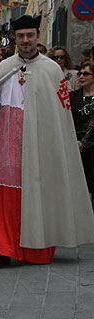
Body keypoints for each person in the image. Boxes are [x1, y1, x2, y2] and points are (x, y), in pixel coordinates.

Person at [0, 14, 94, 269]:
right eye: (21, 36)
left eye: (30, 35)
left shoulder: (51, 69)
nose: (26, 40)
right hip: (9, 142)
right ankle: (4, 250)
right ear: (14, 38)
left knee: (39, 193)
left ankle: (38, 249)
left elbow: (60, 113)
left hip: (40, 142)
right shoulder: (4, 67)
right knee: (6, 196)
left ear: (38, 37)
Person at [69, 60, 94, 208]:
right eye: (80, 74)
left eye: (86, 74)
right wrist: (75, 140)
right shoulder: (73, 97)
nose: (82, 77)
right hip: (77, 146)